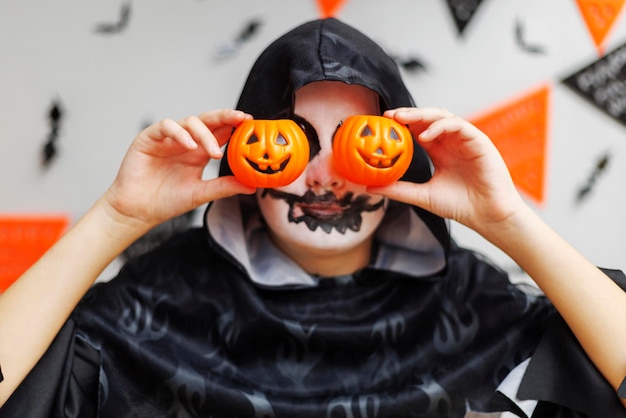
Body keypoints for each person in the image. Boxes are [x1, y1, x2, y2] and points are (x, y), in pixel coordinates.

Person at [0, 18, 625, 418]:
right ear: (248, 151)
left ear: (401, 153)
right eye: (294, 140)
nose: (323, 177)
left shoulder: (482, 308)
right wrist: (116, 216)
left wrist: (509, 219)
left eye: (358, 140)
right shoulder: (147, 309)